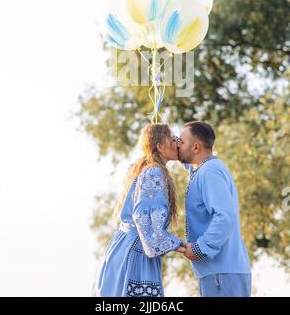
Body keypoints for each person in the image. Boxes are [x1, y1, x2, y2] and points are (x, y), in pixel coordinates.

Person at [93, 123, 186, 297]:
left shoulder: (145, 169)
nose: (176, 142)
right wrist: (177, 244)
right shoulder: (154, 173)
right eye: (172, 138)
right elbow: (143, 217)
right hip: (137, 251)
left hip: (125, 247)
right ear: (160, 146)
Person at [177, 121, 251, 297]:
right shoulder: (205, 169)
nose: (177, 144)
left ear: (195, 147)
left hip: (222, 275)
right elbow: (190, 165)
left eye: (181, 141)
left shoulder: (209, 172)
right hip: (219, 273)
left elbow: (225, 217)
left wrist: (200, 248)